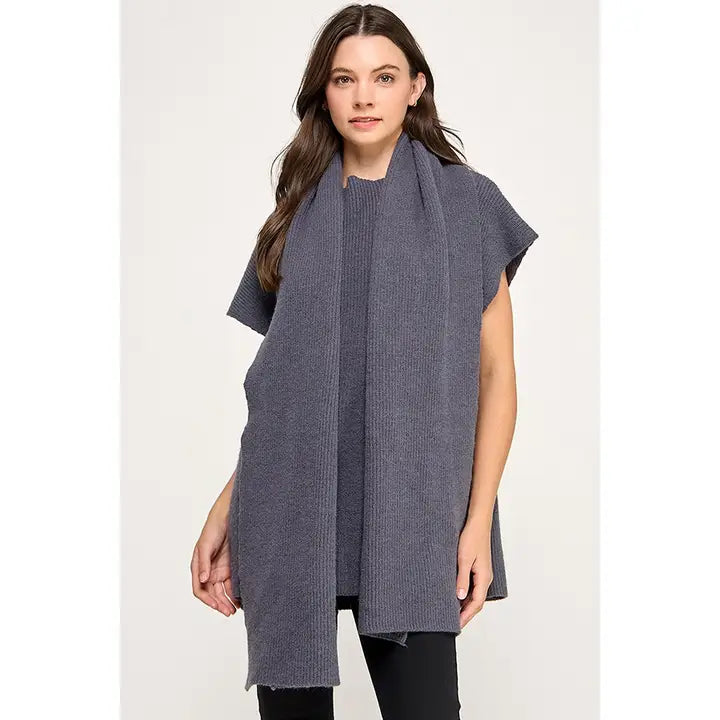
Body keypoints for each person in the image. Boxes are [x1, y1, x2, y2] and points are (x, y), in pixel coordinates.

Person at [191, 4, 539, 719]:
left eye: (383, 77)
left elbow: (496, 377)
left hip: (413, 515)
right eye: (344, 79)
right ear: (324, 93)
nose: (363, 96)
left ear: (415, 86)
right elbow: (290, 398)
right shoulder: (296, 212)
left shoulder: (468, 205)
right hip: (290, 511)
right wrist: (227, 508)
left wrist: (477, 523)